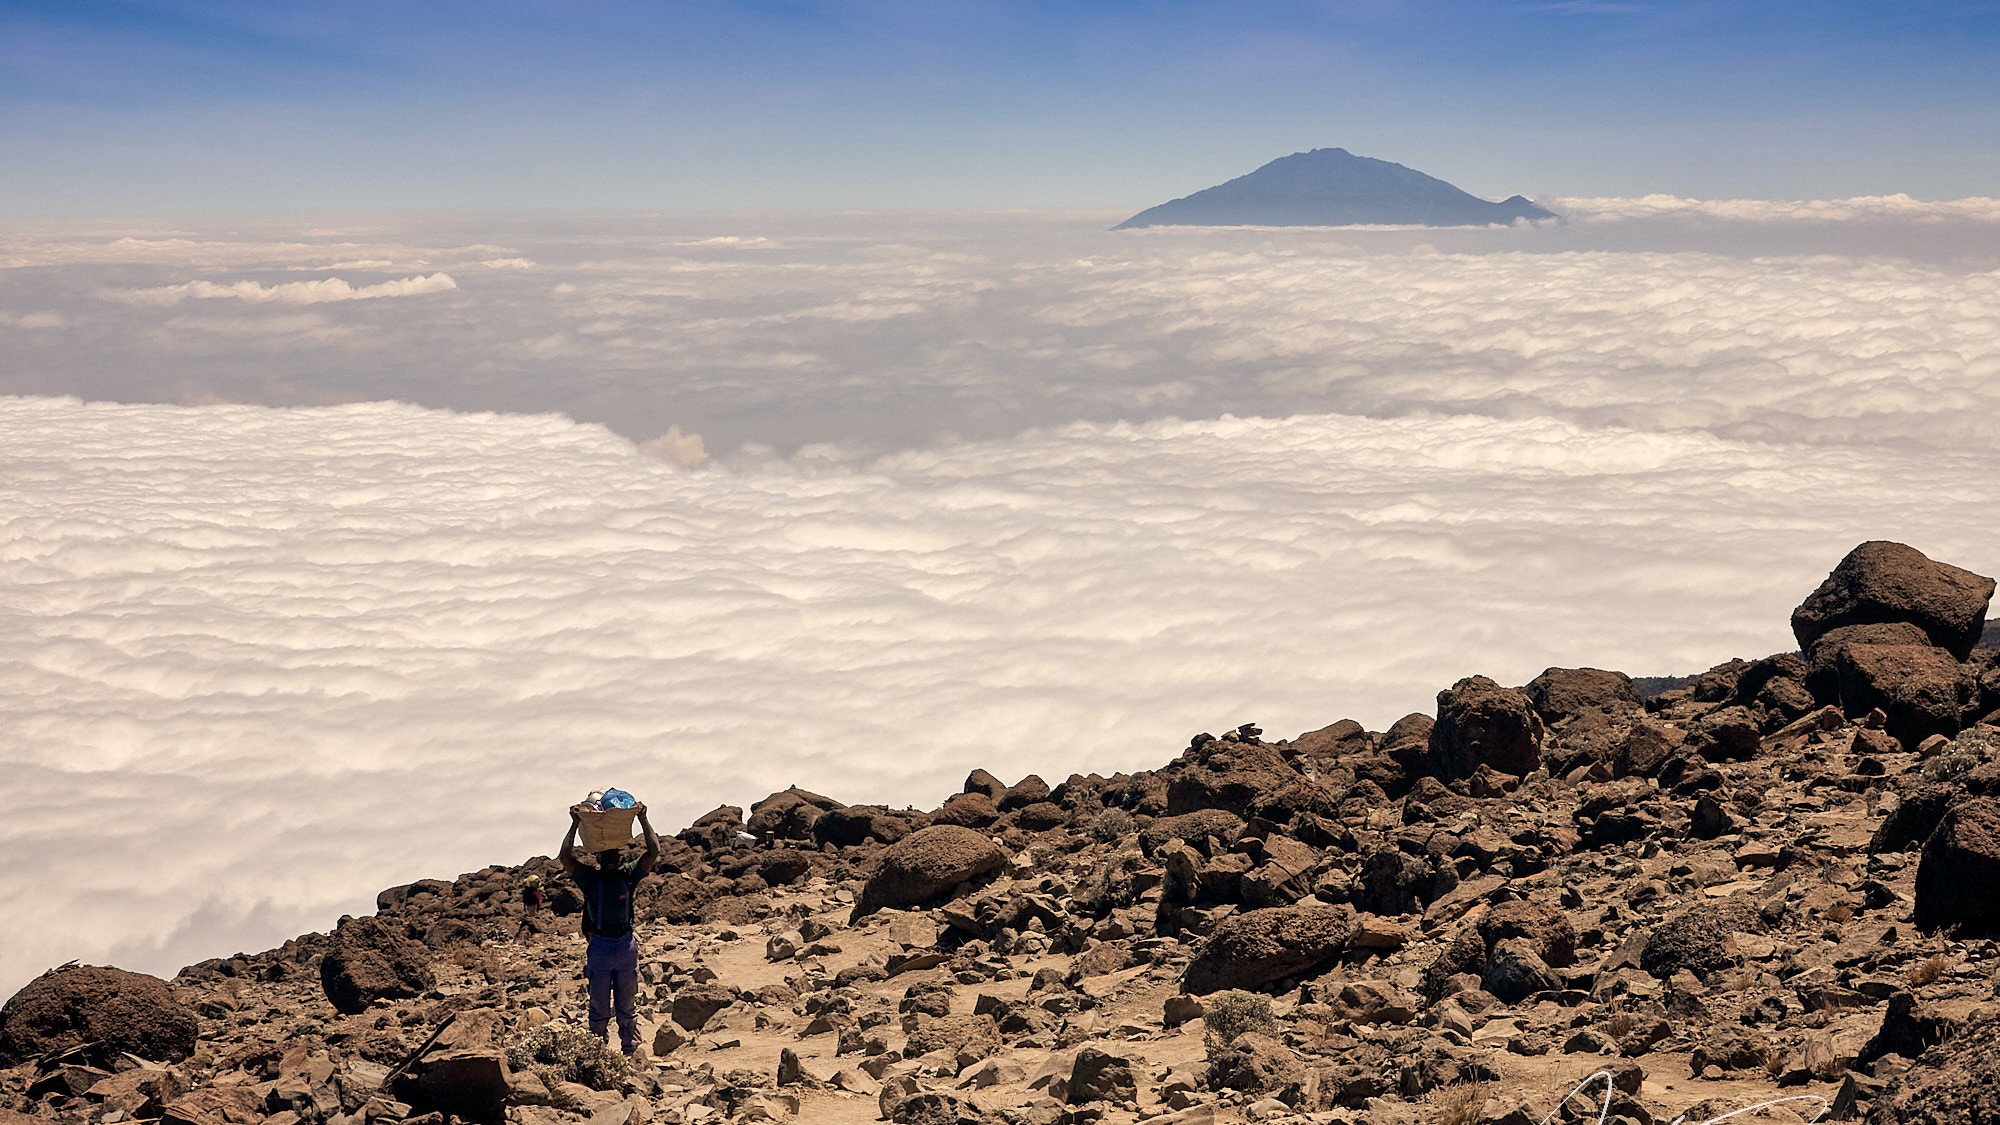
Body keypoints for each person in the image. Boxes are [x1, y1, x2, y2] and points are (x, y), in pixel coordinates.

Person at [559, 803, 659, 1055]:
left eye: (615, 855)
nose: (612, 860)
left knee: (627, 1005)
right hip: (603, 946)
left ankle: (631, 1052)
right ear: (599, 858)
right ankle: (597, 1054)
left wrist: (643, 819)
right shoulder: (590, 878)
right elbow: (565, 858)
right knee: (599, 1007)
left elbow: (653, 852)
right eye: (607, 856)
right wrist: (574, 824)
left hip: (623, 945)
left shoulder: (628, 875)